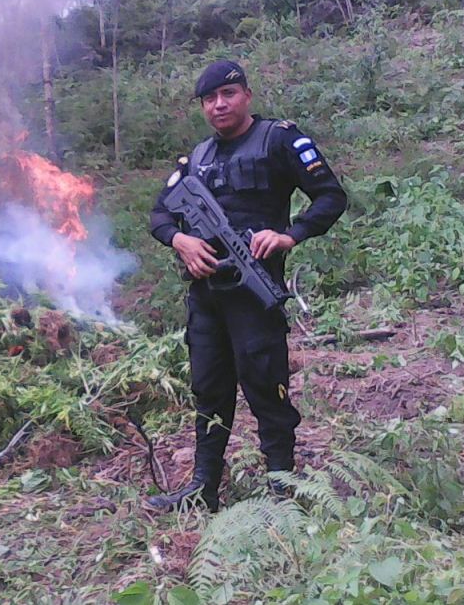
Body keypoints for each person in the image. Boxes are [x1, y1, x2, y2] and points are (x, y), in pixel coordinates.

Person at [146, 60, 347, 512]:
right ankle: (203, 488)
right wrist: (180, 240)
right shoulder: (196, 158)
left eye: (228, 94)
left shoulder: (279, 140)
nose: (219, 104)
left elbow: (332, 196)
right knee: (208, 388)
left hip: (256, 293)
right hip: (207, 296)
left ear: (247, 96)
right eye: (209, 99)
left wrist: (289, 234)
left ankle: (281, 483)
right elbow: (159, 214)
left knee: (265, 384)